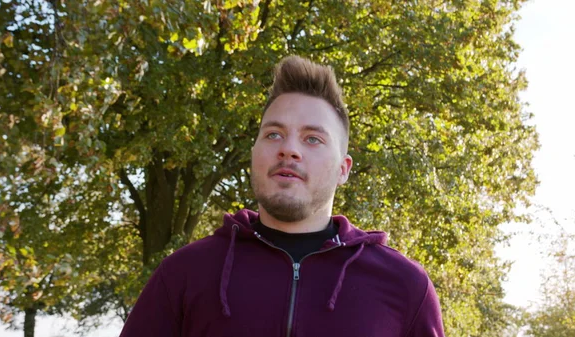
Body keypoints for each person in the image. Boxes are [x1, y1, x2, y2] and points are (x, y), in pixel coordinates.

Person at [120, 56, 445, 337]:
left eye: (313, 139)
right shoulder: (184, 274)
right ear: (254, 153)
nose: (289, 148)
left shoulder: (405, 286)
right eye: (273, 134)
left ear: (343, 169)